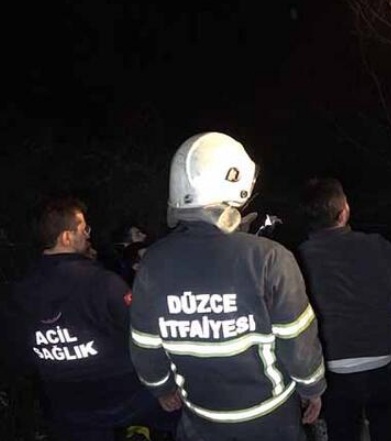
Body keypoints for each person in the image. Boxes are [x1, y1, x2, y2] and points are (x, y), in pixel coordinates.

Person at [128, 132, 326, 441]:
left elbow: (145, 346)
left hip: (200, 418)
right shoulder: (270, 258)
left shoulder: (153, 262)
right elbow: (298, 343)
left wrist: (161, 387)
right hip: (270, 419)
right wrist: (312, 388)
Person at [7, 197, 177, 441]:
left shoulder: (18, 292)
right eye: (83, 229)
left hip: (66, 406)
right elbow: (144, 336)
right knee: (186, 414)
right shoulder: (102, 283)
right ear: (66, 237)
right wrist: (164, 389)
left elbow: (18, 354)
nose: (88, 235)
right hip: (126, 397)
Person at [296, 177, 391, 441]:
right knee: (385, 418)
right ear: (343, 212)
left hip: (333, 367)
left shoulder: (297, 258)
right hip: (381, 359)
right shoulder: (374, 245)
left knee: (341, 429)